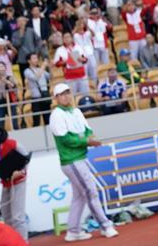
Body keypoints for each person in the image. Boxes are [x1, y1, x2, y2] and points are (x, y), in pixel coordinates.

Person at [48, 83, 119, 241]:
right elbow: (66, 140)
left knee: (79, 196)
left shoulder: (76, 111)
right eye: (62, 94)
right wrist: (86, 141)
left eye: (67, 92)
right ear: (56, 98)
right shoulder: (56, 115)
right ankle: (105, 226)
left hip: (79, 158)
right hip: (71, 160)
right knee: (90, 192)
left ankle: (73, 231)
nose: (66, 96)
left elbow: (88, 131)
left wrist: (87, 138)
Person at [0, 127, 29, 241]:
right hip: (6, 183)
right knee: (6, 215)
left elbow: (26, 159)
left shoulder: (13, 144)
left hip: (18, 182)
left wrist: (21, 171)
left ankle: (23, 242)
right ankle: (12, 241)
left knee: (18, 217)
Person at [24, 53, 51, 127]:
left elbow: (50, 77)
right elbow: (35, 77)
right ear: (29, 61)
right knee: (36, 120)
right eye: (34, 58)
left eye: (36, 58)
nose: (36, 60)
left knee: (48, 118)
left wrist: (49, 67)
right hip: (36, 98)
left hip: (44, 96)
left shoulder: (40, 69)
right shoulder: (27, 71)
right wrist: (43, 66)